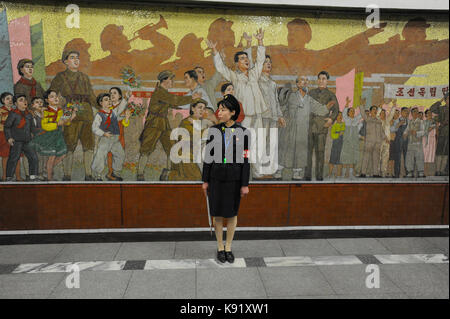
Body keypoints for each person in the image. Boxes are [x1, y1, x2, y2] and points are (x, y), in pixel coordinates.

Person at [206, 28, 270, 179]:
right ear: (236, 63)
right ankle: (242, 173)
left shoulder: (254, 74)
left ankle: (256, 171)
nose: (246, 60)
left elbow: (260, 60)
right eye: (242, 58)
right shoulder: (234, 76)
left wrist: (260, 41)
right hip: (244, 117)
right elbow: (221, 67)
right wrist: (214, 51)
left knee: (259, 144)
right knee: (244, 146)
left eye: (246, 58)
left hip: (257, 115)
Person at [202, 94, 250, 264]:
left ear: (232, 112)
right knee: (217, 214)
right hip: (216, 178)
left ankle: (229, 247)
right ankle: (220, 247)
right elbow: (208, 156)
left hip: (234, 180)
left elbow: (246, 159)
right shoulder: (214, 131)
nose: (219, 112)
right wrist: (205, 180)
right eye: (219, 109)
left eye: (223, 109)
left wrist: (245, 184)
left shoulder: (243, 133)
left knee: (231, 214)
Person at [137, 70, 201, 181]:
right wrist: (192, 98)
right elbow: (174, 100)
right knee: (146, 148)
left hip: (163, 123)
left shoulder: (164, 93)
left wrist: (192, 106)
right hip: (154, 123)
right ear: (165, 80)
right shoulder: (160, 92)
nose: (172, 82)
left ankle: (167, 173)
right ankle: (140, 174)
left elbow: (173, 104)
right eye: (171, 79)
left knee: (172, 148)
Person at [49, 50, 98, 181]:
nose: (76, 60)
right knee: (69, 144)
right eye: (72, 58)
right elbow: (51, 94)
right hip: (69, 111)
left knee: (89, 145)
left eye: (77, 58)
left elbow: (92, 96)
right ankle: (67, 175)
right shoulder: (60, 77)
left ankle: (88, 174)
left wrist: (102, 109)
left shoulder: (84, 77)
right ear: (65, 61)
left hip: (87, 113)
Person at [278, 76, 334, 180]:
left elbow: (320, 109)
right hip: (290, 128)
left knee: (300, 150)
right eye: (302, 80)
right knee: (287, 149)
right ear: (298, 84)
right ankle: (279, 170)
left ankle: (297, 172)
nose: (305, 82)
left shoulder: (309, 100)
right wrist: (280, 117)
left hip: (303, 129)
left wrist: (327, 107)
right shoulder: (291, 96)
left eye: (306, 81)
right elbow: (282, 108)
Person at [30, 90, 75, 181]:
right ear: (47, 100)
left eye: (56, 96)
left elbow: (65, 122)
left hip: (58, 135)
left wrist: (72, 115)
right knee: (52, 157)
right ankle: (50, 178)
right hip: (49, 135)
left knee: (62, 154)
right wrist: (57, 124)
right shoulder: (45, 111)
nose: (55, 98)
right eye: (52, 96)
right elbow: (45, 125)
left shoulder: (60, 110)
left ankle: (47, 168)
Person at [305, 71, 339, 181]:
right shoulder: (310, 93)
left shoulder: (331, 95)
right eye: (319, 78)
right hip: (309, 126)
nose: (321, 81)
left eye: (323, 79)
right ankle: (307, 175)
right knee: (308, 152)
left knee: (320, 152)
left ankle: (319, 176)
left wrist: (331, 119)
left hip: (322, 127)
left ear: (327, 81)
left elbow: (336, 110)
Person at [166, 99, 209, 181]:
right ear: (193, 108)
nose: (202, 110)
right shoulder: (186, 122)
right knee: (195, 179)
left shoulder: (198, 122)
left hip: (193, 157)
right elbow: (194, 138)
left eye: (203, 109)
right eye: (200, 107)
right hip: (185, 158)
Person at [91, 93, 130, 181]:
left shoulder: (113, 112)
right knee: (100, 156)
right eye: (106, 100)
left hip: (115, 139)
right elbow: (94, 128)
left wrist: (126, 98)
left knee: (120, 155)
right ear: (101, 103)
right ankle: (97, 175)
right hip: (105, 139)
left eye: (109, 99)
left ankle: (115, 173)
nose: (109, 101)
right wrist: (103, 133)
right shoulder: (99, 115)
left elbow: (120, 109)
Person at [3, 94, 39, 181]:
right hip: (16, 140)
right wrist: (9, 138)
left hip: (27, 140)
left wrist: (35, 134)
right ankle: (9, 177)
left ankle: (33, 176)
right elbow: (7, 127)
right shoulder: (13, 114)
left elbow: (33, 127)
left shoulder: (29, 114)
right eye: (21, 100)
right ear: (16, 103)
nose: (24, 102)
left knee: (33, 157)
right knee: (14, 158)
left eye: (25, 100)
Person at [107, 87, 131, 181]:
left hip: (120, 133)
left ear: (119, 96)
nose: (112, 95)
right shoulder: (108, 108)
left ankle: (115, 173)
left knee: (120, 154)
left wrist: (127, 118)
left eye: (114, 93)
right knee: (109, 154)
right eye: (110, 93)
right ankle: (110, 173)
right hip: (110, 133)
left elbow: (125, 123)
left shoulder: (123, 107)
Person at [0, 92, 22, 181]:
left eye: (11, 98)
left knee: (16, 156)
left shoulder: (16, 111)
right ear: (3, 101)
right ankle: (5, 176)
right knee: (6, 156)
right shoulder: (1, 111)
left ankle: (18, 176)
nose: (10, 100)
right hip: (3, 136)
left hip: (15, 135)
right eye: (7, 99)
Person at [359, 105, 384, 177]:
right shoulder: (368, 119)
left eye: (376, 110)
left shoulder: (379, 120)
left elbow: (381, 130)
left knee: (376, 158)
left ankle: (375, 173)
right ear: (370, 111)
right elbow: (363, 114)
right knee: (366, 157)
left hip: (377, 142)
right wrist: (361, 106)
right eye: (373, 109)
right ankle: (363, 173)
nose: (375, 111)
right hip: (369, 141)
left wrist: (384, 137)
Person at [341, 98, 363, 179]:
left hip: (354, 142)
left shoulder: (356, 120)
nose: (352, 112)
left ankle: (350, 174)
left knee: (352, 157)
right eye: (351, 111)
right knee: (345, 157)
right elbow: (343, 113)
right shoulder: (346, 120)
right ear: (348, 113)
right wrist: (347, 103)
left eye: (353, 111)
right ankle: (344, 174)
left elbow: (361, 115)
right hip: (346, 142)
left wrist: (361, 105)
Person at [429, 93, 449, 176]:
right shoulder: (441, 108)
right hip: (442, 133)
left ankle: (443, 170)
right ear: (445, 100)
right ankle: (437, 171)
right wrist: (440, 101)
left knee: (446, 153)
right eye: (448, 98)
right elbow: (432, 108)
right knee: (440, 152)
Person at [403, 107, 426, 178]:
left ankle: (421, 172)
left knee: (419, 157)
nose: (415, 113)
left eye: (416, 112)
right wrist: (405, 134)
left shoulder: (421, 122)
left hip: (418, 143)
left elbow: (424, 132)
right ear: (412, 113)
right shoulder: (410, 122)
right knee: (409, 158)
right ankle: (409, 172)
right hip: (410, 143)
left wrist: (416, 133)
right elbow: (406, 130)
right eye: (414, 112)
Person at [379, 100, 397, 177]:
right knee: (378, 157)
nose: (383, 115)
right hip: (379, 142)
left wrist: (394, 105)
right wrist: (380, 106)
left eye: (384, 113)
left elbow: (391, 114)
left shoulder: (387, 121)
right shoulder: (377, 121)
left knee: (385, 157)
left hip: (387, 142)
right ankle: (377, 172)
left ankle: (384, 172)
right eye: (381, 113)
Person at [391, 107, 410, 178]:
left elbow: (410, 129)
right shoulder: (397, 120)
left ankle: (407, 173)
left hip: (406, 141)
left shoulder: (409, 121)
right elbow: (391, 129)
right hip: (398, 140)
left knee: (407, 157)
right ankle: (397, 173)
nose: (406, 113)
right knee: (397, 157)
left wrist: (407, 133)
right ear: (401, 112)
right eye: (405, 111)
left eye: (407, 112)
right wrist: (398, 124)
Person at [329, 112, 345, 178]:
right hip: (335, 144)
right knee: (332, 158)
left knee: (340, 159)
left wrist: (342, 133)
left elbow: (345, 133)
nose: (340, 117)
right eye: (338, 115)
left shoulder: (344, 124)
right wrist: (338, 134)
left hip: (342, 144)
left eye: (341, 115)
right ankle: (330, 173)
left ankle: (339, 174)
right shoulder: (334, 125)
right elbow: (332, 135)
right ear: (336, 117)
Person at [422, 109, 437, 176]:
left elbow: (436, 132)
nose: (430, 114)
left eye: (431, 113)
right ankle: (424, 172)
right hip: (425, 140)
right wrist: (432, 126)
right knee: (425, 156)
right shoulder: (423, 122)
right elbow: (425, 131)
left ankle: (430, 173)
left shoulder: (435, 122)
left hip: (432, 140)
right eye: (428, 113)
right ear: (425, 115)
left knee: (431, 156)